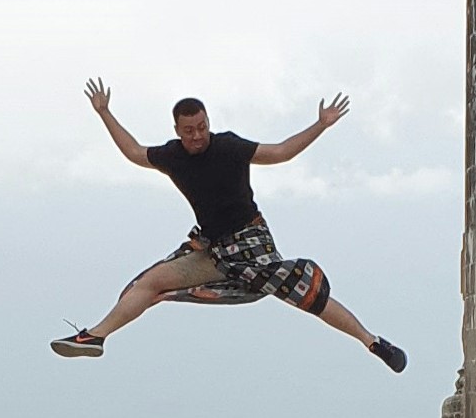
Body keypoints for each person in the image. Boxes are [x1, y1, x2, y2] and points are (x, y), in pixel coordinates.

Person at [50, 80, 408, 374]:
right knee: (150, 282)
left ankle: (372, 341)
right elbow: (133, 151)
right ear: (177, 130)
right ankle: (95, 337)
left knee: (304, 293)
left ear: (209, 122)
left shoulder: (229, 147)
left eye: (202, 127)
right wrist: (104, 112)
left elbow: (281, 151)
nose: (197, 136)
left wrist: (320, 124)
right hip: (212, 249)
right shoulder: (172, 156)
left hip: (251, 243)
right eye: (189, 130)